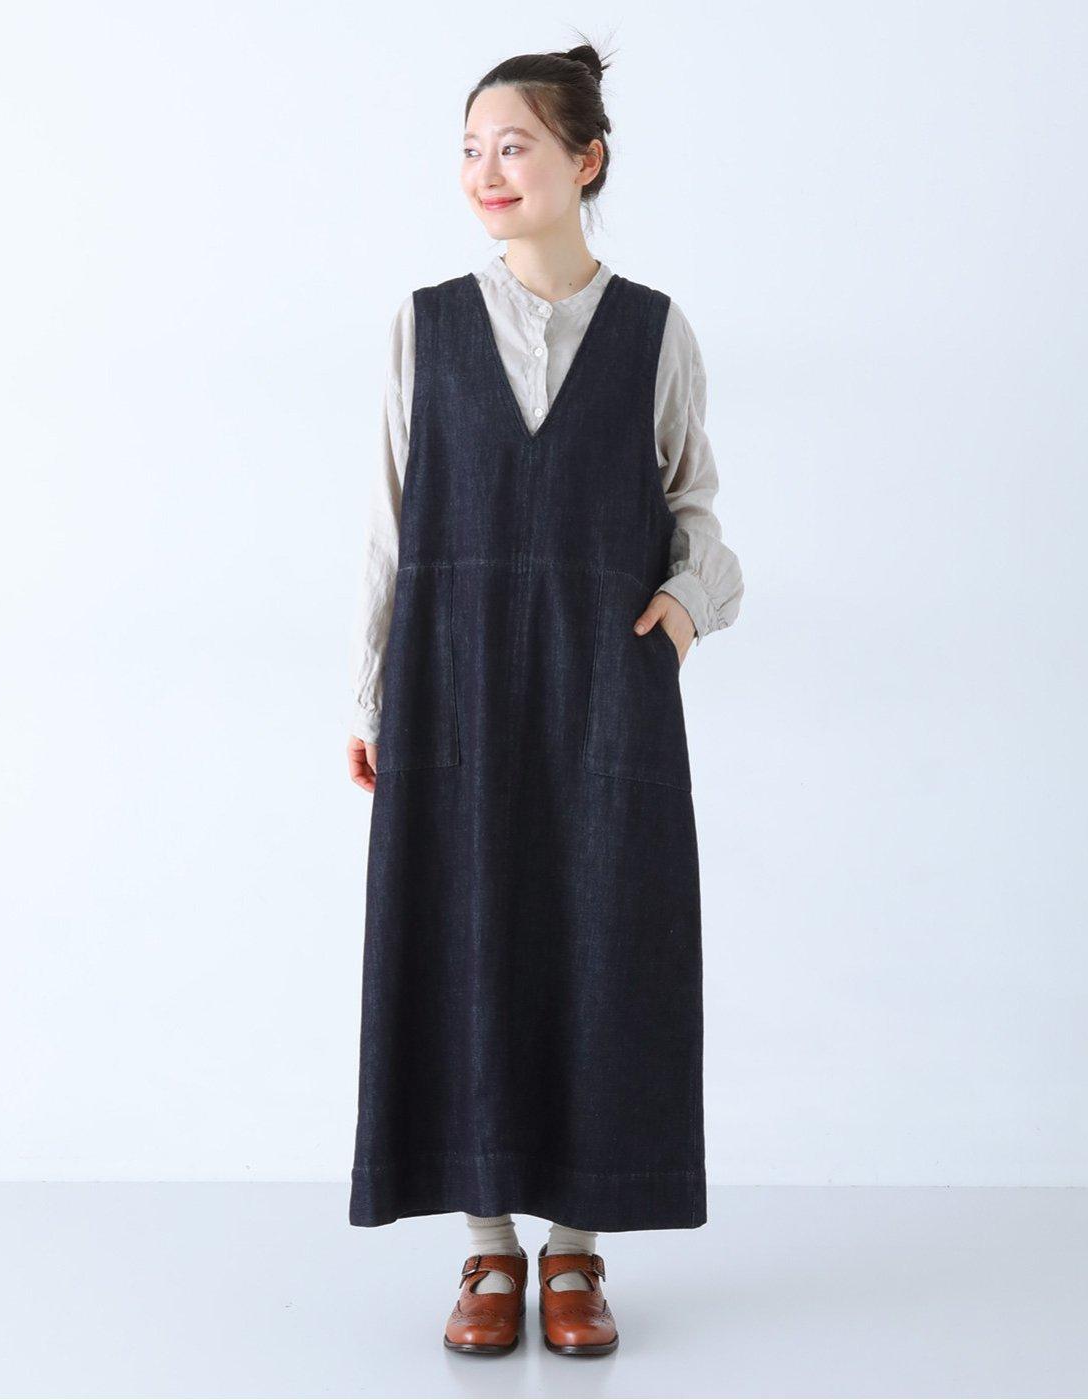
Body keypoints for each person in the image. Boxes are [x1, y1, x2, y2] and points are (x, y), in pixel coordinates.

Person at [345, 37, 744, 1357]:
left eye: (513, 145)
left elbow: (698, 512)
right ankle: (486, 1244)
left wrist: (682, 611)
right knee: (461, 934)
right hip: (451, 689)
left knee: (602, 938)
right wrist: (370, 695)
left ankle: (576, 1246)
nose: (486, 171)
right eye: (470, 149)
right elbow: (390, 528)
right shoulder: (425, 325)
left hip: (604, 694)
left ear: (587, 159)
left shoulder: (654, 331)